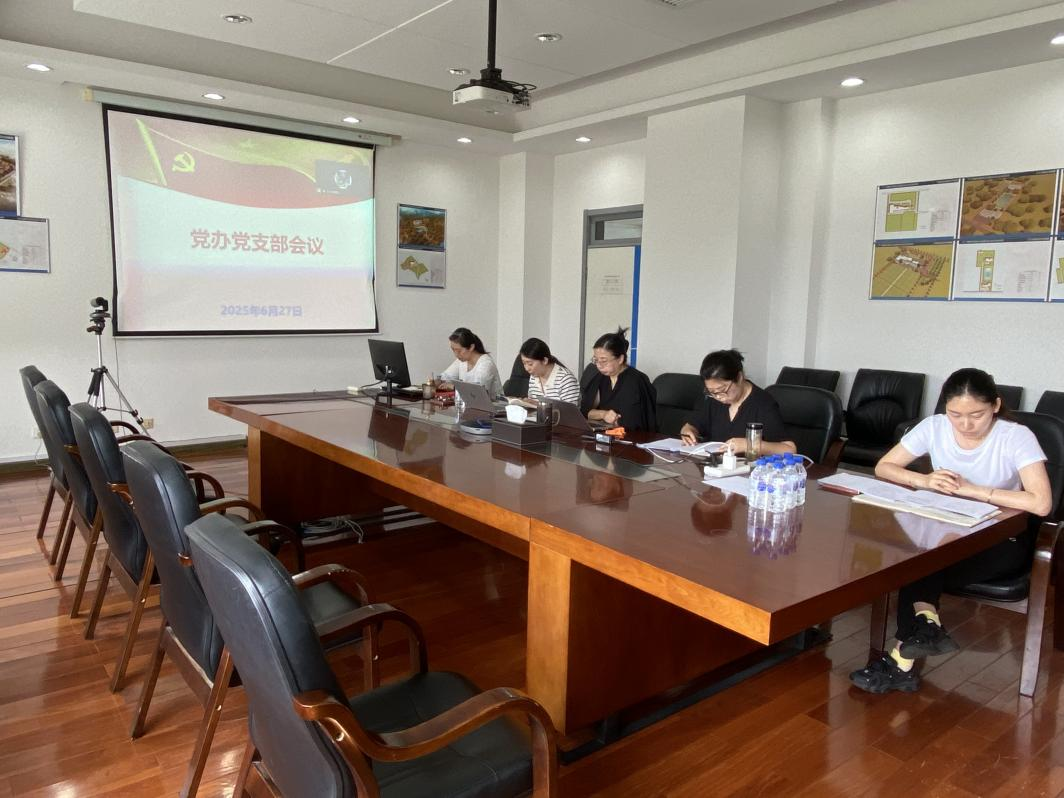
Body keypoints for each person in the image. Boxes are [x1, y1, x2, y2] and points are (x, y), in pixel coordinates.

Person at [850, 368, 1052, 694]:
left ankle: (906, 654)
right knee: (922, 559)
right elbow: (883, 466)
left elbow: (1041, 502)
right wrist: (925, 480)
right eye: (955, 414)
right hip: (946, 527)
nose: (965, 424)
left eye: (976, 415)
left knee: (920, 565)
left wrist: (974, 490)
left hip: (1000, 538)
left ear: (996, 405)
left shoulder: (1016, 436)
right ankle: (922, 631)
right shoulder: (935, 426)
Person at [679, 349, 796, 455]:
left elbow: (789, 449)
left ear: (739, 377)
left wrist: (750, 445)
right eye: (712, 392)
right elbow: (692, 425)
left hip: (748, 469)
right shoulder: (711, 398)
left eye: (722, 390)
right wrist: (688, 431)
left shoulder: (763, 403)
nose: (718, 397)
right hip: (712, 466)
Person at [579, 327, 657, 432]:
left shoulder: (636, 381)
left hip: (632, 437)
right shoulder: (600, 378)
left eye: (604, 361)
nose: (599, 365)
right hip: (605, 434)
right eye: (596, 360)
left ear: (620, 359)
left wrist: (608, 419)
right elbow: (585, 412)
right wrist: (603, 414)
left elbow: (635, 422)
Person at [437, 327, 503, 398]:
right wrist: (436, 382)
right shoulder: (462, 361)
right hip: (470, 403)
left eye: (459, 351)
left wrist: (454, 386)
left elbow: (476, 392)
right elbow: (445, 377)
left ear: (471, 347)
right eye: (453, 350)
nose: (456, 355)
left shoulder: (486, 364)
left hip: (492, 404)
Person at [519, 337, 581, 404]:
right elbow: (534, 407)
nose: (526, 368)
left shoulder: (565, 380)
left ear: (545, 361)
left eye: (530, 364)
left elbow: (570, 410)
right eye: (524, 363)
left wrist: (539, 405)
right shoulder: (533, 377)